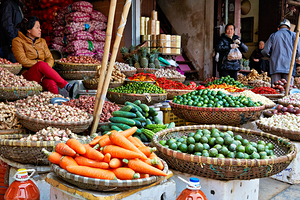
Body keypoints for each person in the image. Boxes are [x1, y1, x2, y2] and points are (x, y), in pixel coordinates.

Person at [11, 16, 78, 98]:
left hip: (42, 73)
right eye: (37, 27)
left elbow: (50, 58)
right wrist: (41, 66)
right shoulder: (17, 41)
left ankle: (58, 104)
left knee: (51, 83)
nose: (40, 30)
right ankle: (66, 86)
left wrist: (45, 70)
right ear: (28, 30)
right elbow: (22, 60)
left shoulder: (42, 41)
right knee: (41, 64)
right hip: (27, 75)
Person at [262, 19, 299, 85]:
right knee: (288, 89)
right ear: (289, 28)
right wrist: (294, 57)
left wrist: (272, 57)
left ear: (279, 27)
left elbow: (265, 51)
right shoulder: (294, 35)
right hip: (289, 65)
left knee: (276, 89)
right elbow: (299, 51)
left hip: (275, 65)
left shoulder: (273, 35)